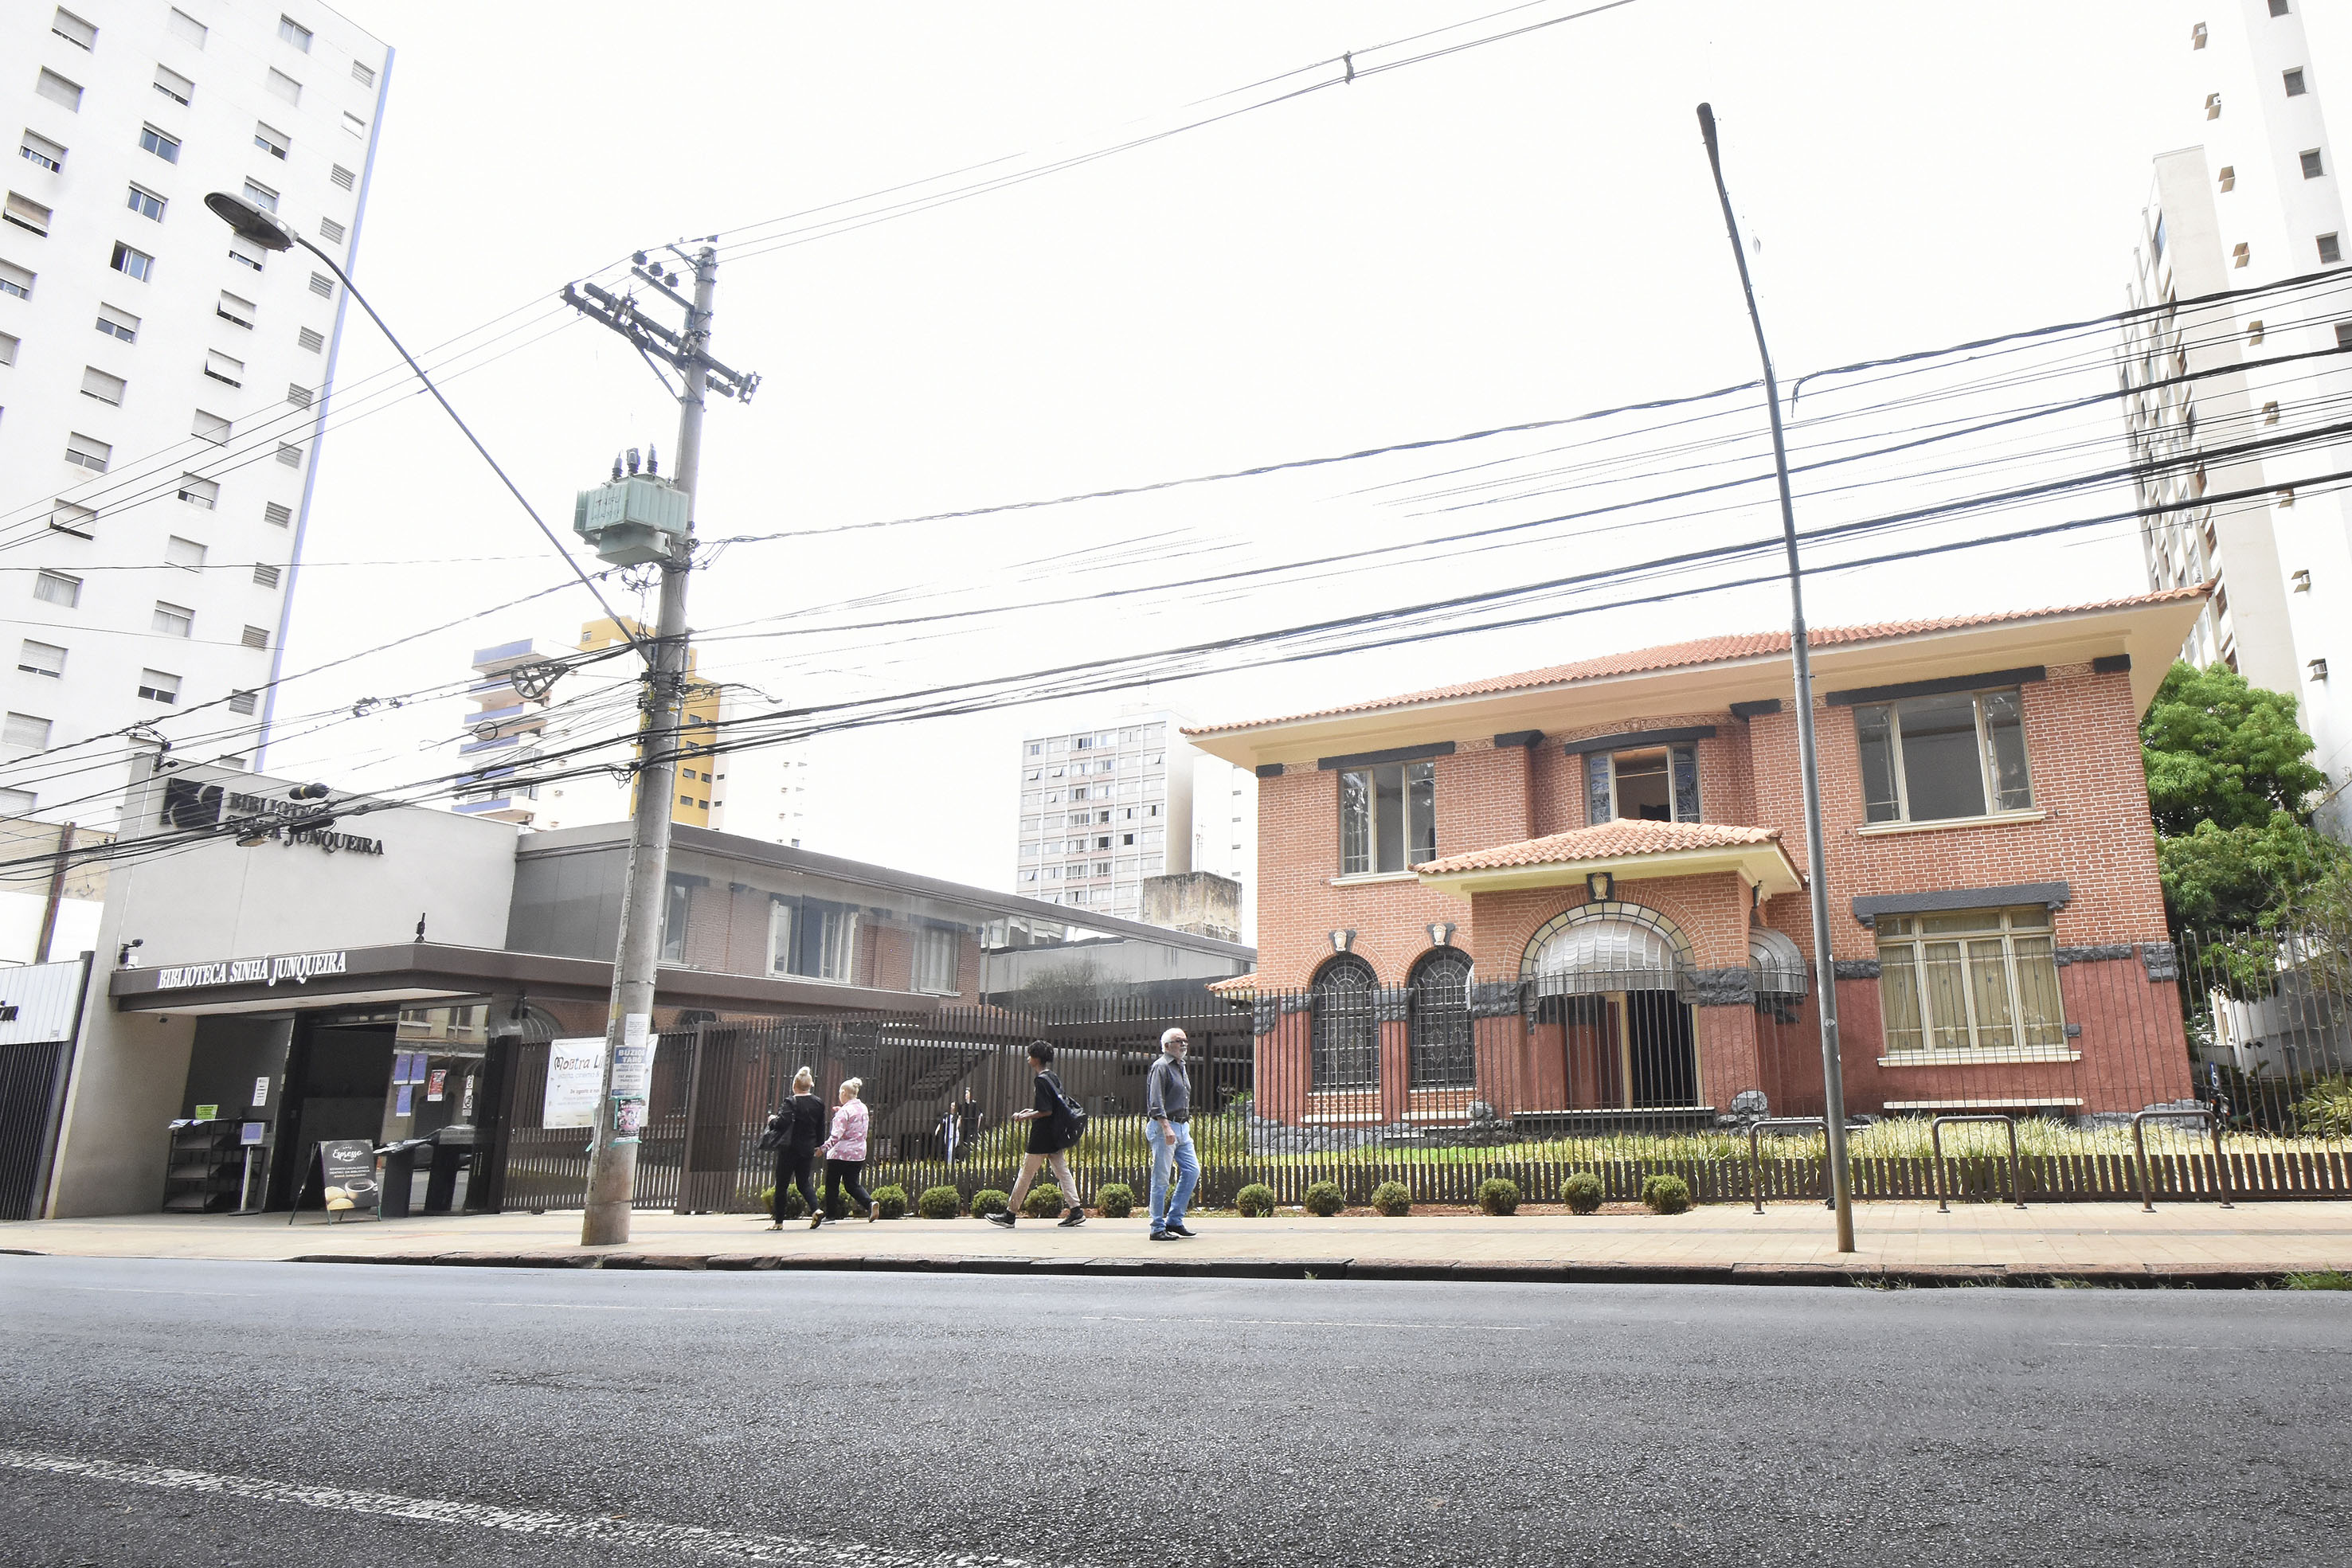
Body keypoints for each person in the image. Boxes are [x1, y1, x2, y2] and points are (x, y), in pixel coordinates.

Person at [988, 1042, 1085, 1229]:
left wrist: (1024, 1116)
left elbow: (1046, 1111)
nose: (1028, 1059)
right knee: (1062, 1172)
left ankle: (1010, 1215)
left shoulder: (1040, 1080)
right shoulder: (1053, 1077)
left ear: (1036, 1059)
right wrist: (1030, 1110)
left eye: (1030, 1055)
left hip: (1042, 1135)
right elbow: (1052, 1107)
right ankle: (1076, 1210)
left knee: (1026, 1173)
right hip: (1055, 1134)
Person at [1146, 1026, 1200, 1241]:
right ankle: (1157, 1227)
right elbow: (1155, 1101)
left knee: (1192, 1171)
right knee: (1161, 1178)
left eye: (1185, 1040)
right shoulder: (1161, 1066)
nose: (1184, 1044)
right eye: (1179, 1041)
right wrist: (1166, 1127)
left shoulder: (1180, 1066)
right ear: (1167, 1046)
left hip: (1182, 1127)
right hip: (1164, 1127)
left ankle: (1174, 1220)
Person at [814, 1076, 879, 1228]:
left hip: (840, 1154)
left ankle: (830, 1215)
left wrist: (823, 1149)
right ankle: (870, 1203)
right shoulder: (863, 1108)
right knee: (852, 1184)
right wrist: (840, 1111)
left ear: (843, 1093)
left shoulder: (844, 1113)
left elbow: (836, 1135)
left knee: (832, 1184)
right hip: (858, 1153)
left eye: (839, 1093)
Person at [769, 1067, 825, 1230]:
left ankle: (779, 1222)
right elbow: (821, 1127)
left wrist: (772, 1120)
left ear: (795, 1085)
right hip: (808, 1148)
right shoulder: (818, 1103)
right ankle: (816, 1209)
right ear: (810, 1085)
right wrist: (818, 1145)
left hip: (789, 1149)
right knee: (803, 1182)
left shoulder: (791, 1102)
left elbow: (781, 1124)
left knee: (782, 1184)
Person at [953, 1088, 984, 1161]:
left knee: (970, 1144)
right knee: (963, 1144)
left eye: (967, 1093)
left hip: (972, 1128)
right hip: (964, 1129)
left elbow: (979, 1116)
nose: (965, 1095)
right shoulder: (963, 1106)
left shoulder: (974, 1104)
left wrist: (977, 1129)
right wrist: (957, 1128)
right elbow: (960, 1117)